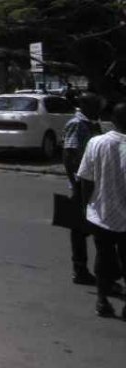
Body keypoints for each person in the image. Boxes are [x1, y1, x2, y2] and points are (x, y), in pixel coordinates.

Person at [77, 101, 126, 318]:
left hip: (101, 214)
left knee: (102, 258)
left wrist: (84, 205)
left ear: (112, 121)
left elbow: (86, 180)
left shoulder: (96, 143)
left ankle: (101, 300)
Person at [62, 92, 103, 285]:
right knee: (79, 230)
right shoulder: (77, 124)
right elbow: (69, 156)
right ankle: (80, 269)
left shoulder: (91, 123)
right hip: (82, 186)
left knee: (92, 228)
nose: (99, 109)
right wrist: (77, 186)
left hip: (94, 184)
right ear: (86, 105)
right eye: (96, 104)